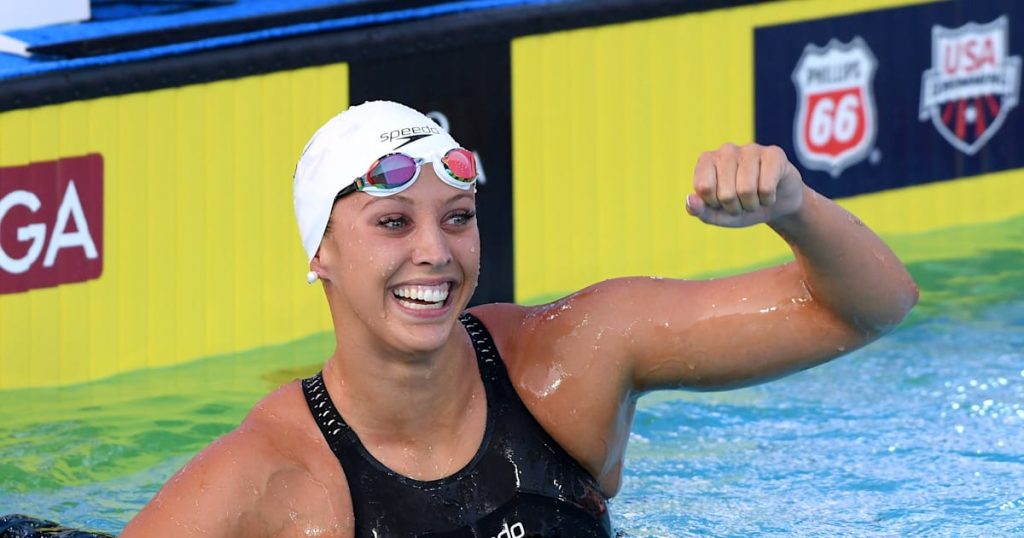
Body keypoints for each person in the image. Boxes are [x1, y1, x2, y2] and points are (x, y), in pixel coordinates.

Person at [122, 101, 918, 537]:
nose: (435, 252)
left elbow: (870, 308)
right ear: (320, 253)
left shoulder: (568, 362)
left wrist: (794, 207)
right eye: (393, 223)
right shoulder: (277, 482)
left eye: (458, 218)